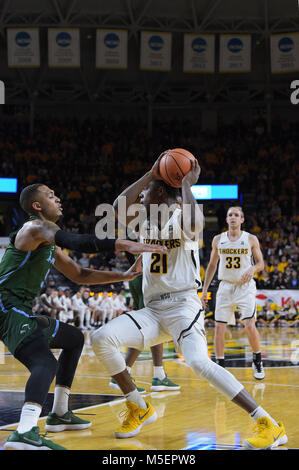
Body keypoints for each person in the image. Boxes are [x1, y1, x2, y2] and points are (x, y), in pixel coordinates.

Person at [91, 155, 287, 449]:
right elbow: (119, 208)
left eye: (145, 193)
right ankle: (138, 406)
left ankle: (268, 423)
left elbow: (195, 223)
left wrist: (185, 184)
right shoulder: (144, 222)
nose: (140, 196)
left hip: (183, 306)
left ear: (159, 195)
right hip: (154, 309)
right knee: (101, 337)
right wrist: (149, 173)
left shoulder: (182, 217)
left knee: (198, 362)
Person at [1, 183, 166, 450]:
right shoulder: (34, 228)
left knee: (74, 338)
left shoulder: (45, 243)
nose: (59, 199)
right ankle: (25, 431)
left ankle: (59, 413)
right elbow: (78, 242)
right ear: (37, 206)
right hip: (6, 308)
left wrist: (123, 275)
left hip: (17, 310)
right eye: (51, 196)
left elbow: (81, 274)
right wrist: (124, 244)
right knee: (44, 363)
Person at [202, 207, 265, 380]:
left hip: (245, 287)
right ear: (227, 219)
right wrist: (205, 289)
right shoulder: (218, 239)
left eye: (236, 215)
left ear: (242, 220)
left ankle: (257, 360)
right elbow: (212, 265)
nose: (233, 217)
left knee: (249, 324)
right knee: (219, 327)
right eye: (230, 215)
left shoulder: (250, 239)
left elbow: (261, 264)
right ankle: (220, 366)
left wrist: (253, 268)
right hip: (225, 286)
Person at [109, 255, 180, 393]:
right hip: (150, 276)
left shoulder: (147, 235)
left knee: (156, 327)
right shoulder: (166, 235)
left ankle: (159, 375)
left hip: (141, 273)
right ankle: (121, 375)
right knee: (147, 326)